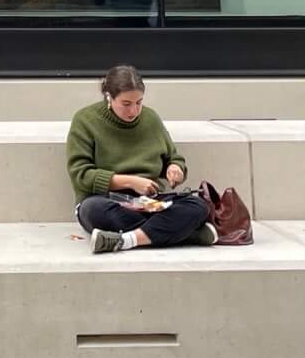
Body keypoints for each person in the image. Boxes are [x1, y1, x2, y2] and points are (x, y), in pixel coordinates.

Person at [66, 64, 216, 255]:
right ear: (109, 97)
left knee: (198, 206)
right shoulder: (85, 120)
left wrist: (174, 168)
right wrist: (130, 181)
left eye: (139, 102)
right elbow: (81, 174)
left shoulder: (151, 118)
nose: (134, 111)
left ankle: (125, 240)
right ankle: (186, 234)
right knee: (93, 211)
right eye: (126, 104)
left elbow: (174, 157)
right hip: (106, 200)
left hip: (150, 202)